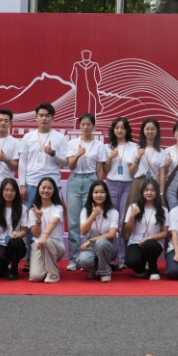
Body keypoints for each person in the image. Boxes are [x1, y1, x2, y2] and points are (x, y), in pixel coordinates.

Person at [18, 103, 68, 267]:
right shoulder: (28, 137)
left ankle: (51, 254)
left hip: (52, 184)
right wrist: (22, 184)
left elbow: (65, 162)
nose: (44, 118)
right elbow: (22, 162)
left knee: (52, 218)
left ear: (52, 118)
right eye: (41, 115)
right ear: (36, 118)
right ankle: (31, 258)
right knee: (31, 220)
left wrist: (53, 153)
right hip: (32, 183)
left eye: (47, 115)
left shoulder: (60, 138)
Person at [64, 112, 105, 271]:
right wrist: (77, 155)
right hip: (74, 180)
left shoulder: (99, 145)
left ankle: (87, 256)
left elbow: (100, 168)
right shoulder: (73, 143)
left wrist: (100, 187)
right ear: (79, 126)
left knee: (89, 218)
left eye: (89, 124)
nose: (86, 127)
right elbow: (70, 166)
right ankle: (74, 259)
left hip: (91, 180)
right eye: (83, 124)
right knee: (73, 221)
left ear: (93, 126)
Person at [103, 116, 138, 266]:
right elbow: (105, 169)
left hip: (128, 185)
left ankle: (123, 258)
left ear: (127, 130)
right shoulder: (108, 147)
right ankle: (111, 256)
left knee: (124, 219)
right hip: (111, 184)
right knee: (111, 218)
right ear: (113, 130)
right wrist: (110, 158)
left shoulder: (133, 146)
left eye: (122, 128)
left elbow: (133, 171)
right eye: (117, 128)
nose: (119, 130)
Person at [124, 178, 168, 280]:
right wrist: (132, 216)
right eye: (146, 190)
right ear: (142, 191)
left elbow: (165, 233)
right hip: (135, 242)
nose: (149, 193)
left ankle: (153, 269)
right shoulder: (134, 207)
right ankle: (142, 267)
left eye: (152, 190)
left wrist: (148, 238)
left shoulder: (163, 210)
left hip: (154, 243)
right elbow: (129, 230)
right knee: (131, 262)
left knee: (149, 244)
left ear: (157, 192)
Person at [75, 180, 120, 282]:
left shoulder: (113, 212)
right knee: (83, 261)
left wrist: (91, 240)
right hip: (91, 246)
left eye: (102, 192)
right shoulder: (85, 211)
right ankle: (98, 268)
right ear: (91, 194)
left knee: (101, 243)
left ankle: (105, 272)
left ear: (106, 194)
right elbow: (83, 232)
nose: (99, 195)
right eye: (96, 192)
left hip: (108, 245)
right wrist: (93, 215)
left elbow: (112, 234)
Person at [0, 178, 28, 279]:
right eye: (6, 190)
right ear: (1, 191)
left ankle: (14, 269)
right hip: (1, 244)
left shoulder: (22, 209)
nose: (9, 193)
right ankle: (3, 268)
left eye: (12, 190)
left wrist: (18, 234)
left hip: (15, 244)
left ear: (16, 192)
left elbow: (24, 231)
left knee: (15, 242)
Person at [28, 177, 65, 283]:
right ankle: (48, 267)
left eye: (49, 188)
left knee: (47, 241)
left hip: (55, 247)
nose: (46, 190)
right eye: (43, 187)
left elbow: (53, 222)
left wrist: (44, 236)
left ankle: (53, 275)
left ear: (54, 191)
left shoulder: (58, 208)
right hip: (38, 246)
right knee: (35, 277)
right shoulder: (32, 210)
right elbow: (36, 234)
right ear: (38, 189)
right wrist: (38, 220)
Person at [130, 119, 166, 211]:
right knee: (135, 210)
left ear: (157, 131)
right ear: (143, 130)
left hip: (154, 184)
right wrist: (138, 157)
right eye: (147, 129)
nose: (150, 131)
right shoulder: (135, 149)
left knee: (153, 210)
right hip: (138, 183)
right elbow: (131, 172)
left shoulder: (161, 152)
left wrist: (161, 193)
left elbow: (162, 175)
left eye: (153, 129)